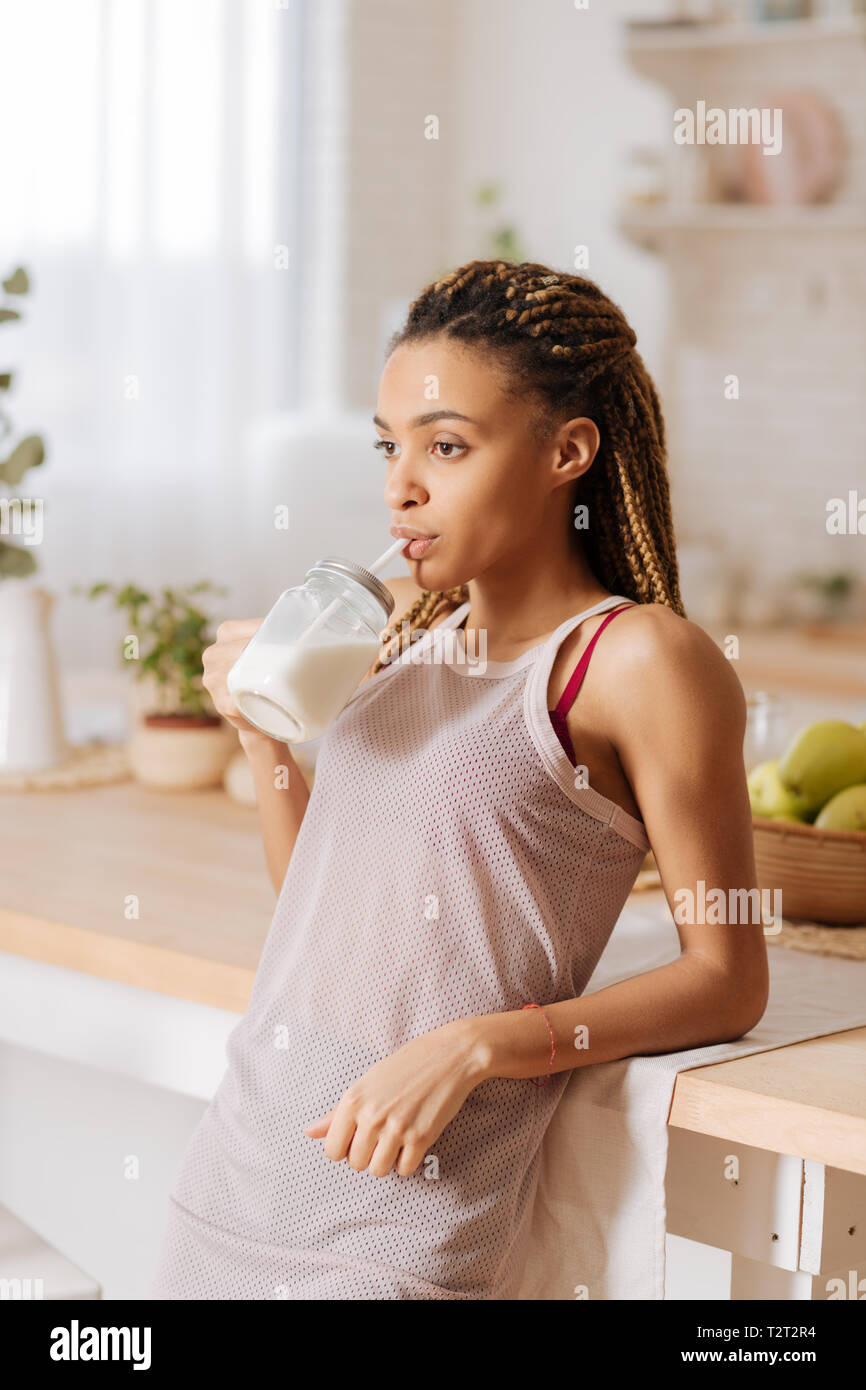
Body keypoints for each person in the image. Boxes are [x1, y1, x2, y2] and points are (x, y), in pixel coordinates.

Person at [149, 260, 768, 1300]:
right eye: (389, 445)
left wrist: (480, 1044)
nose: (401, 483)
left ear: (566, 451)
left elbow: (727, 976)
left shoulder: (635, 661)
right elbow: (321, 905)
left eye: (446, 444)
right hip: (237, 1165)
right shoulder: (393, 627)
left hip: (396, 1222)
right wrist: (262, 734)